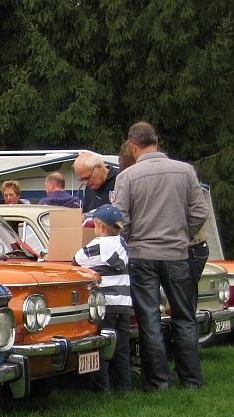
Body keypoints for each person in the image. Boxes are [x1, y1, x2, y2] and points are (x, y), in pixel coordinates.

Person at [114, 121, 208, 390]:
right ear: (157, 140)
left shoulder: (127, 177)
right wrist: (182, 234)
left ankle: (158, 383)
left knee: (149, 319)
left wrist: (131, 239)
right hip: (177, 253)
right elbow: (200, 213)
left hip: (142, 255)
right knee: (185, 317)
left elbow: (121, 220)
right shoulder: (185, 171)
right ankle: (191, 380)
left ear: (133, 146)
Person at [73, 204, 132, 392]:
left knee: (100, 348)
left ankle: (101, 390)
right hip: (123, 305)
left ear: (101, 227)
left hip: (105, 305)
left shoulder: (97, 245)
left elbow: (77, 259)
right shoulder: (123, 244)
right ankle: (124, 388)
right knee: (122, 348)